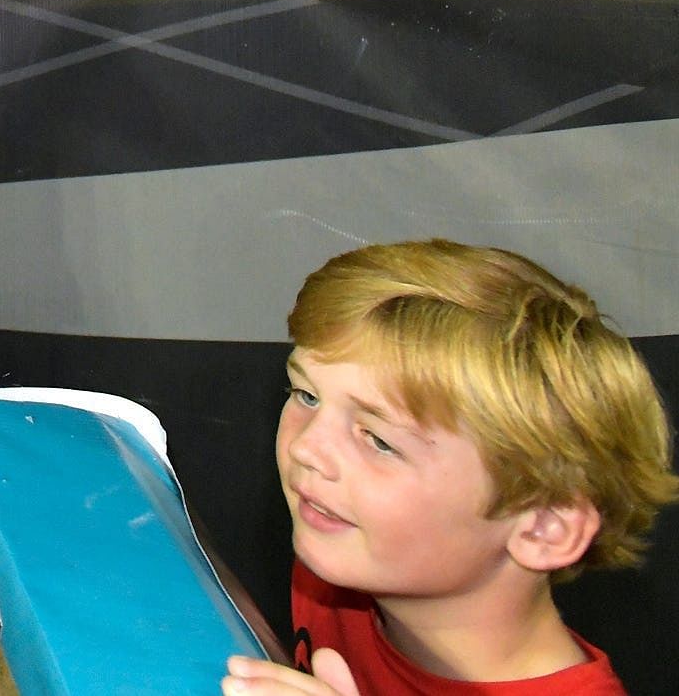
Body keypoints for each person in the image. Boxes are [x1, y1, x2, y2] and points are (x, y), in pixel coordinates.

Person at [218, 240, 672, 696]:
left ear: (543, 527)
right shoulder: (341, 553)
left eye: (379, 440)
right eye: (307, 396)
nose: (307, 448)